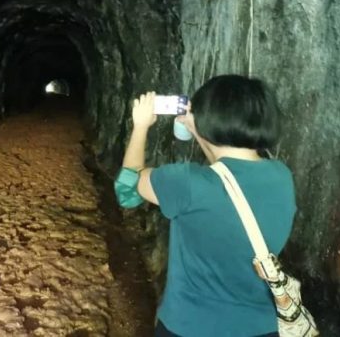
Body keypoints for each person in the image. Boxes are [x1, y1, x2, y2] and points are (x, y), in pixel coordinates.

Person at [119, 75, 296, 337]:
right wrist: (198, 129)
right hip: (262, 328)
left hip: (190, 327)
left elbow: (127, 189)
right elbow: (228, 171)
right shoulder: (282, 177)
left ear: (208, 120)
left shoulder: (188, 183)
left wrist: (141, 126)